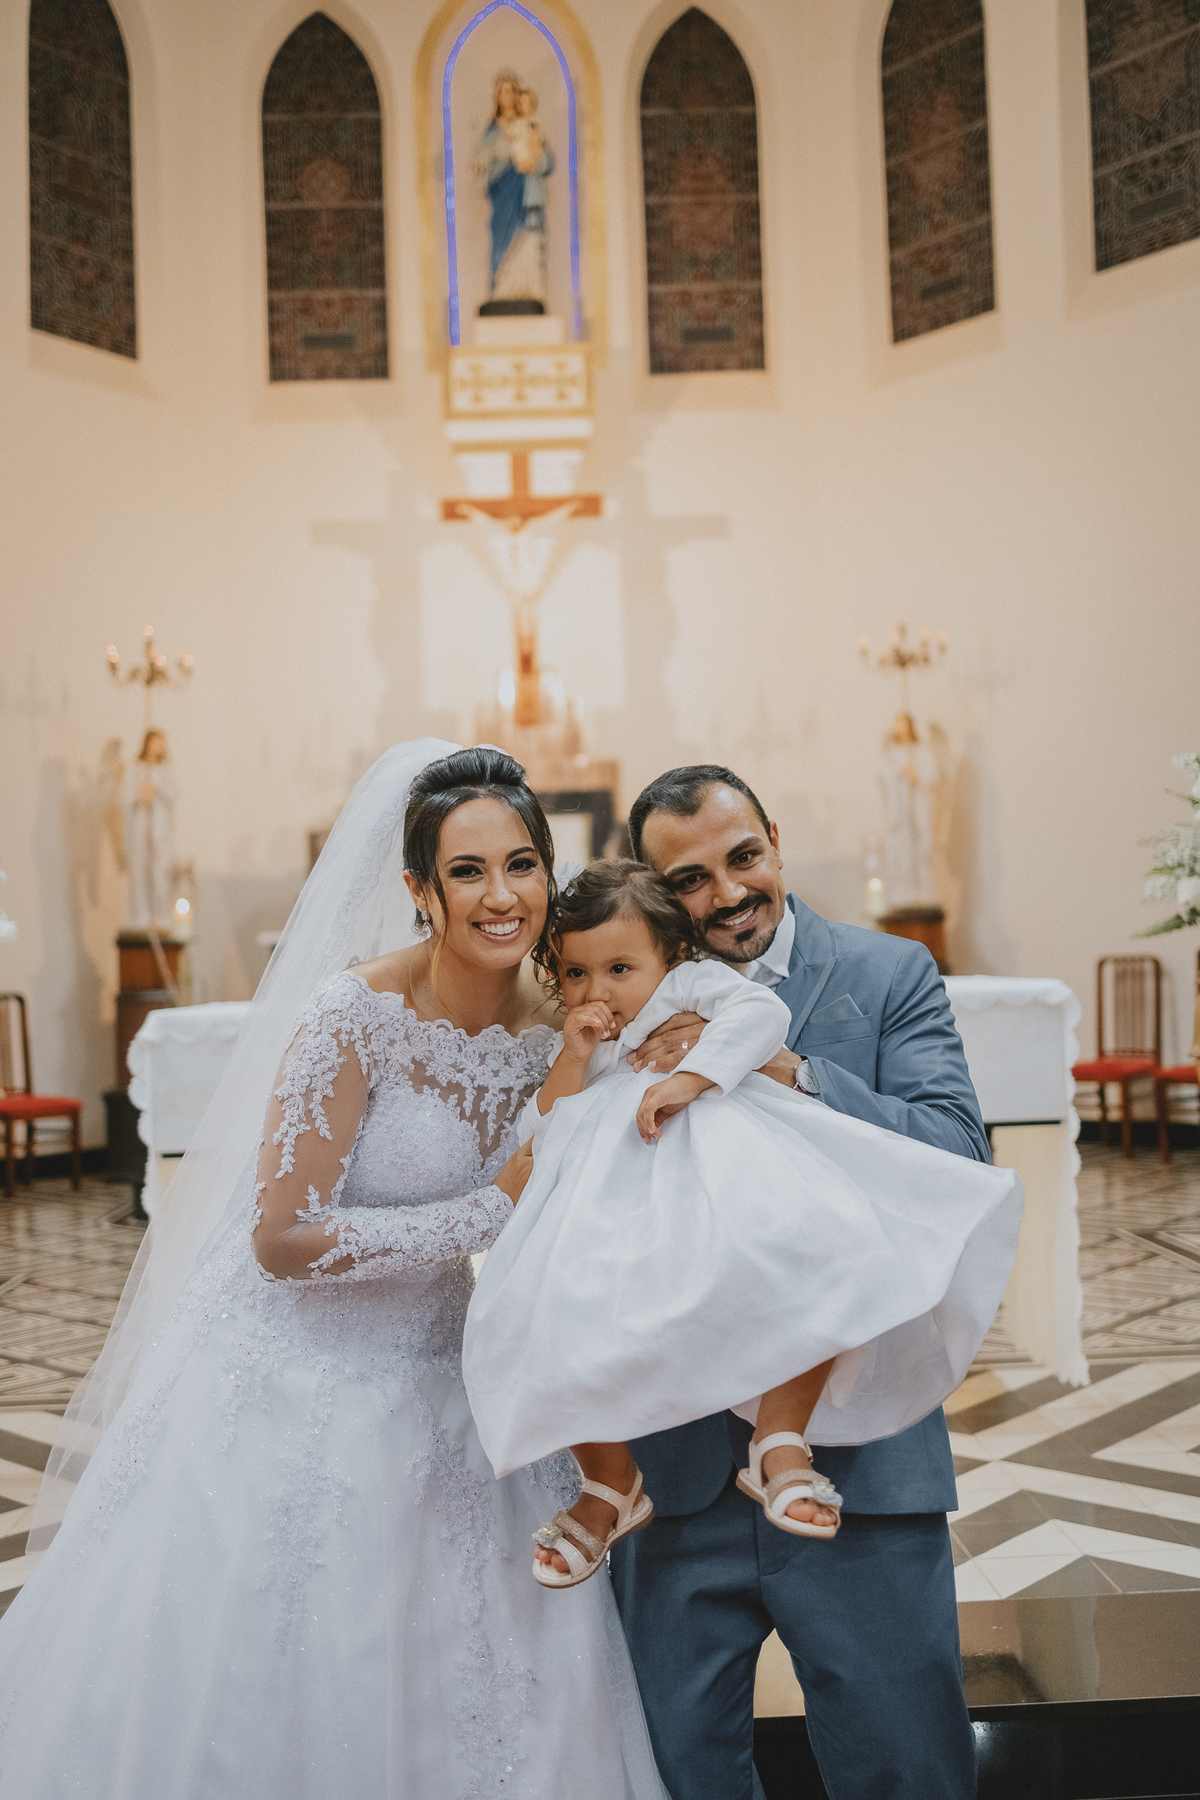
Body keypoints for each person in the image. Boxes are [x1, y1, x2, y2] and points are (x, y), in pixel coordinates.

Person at [0, 743, 666, 1800]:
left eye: (522, 864)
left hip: (451, 1371)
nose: (502, 896)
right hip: (294, 1372)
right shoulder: (355, 1017)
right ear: (418, 889)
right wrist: (488, 1210)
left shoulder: (561, 1030)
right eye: (467, 871)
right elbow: (282, 1238)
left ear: (551, 870)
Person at [462, 861, 1019, 1586]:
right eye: (574, 974)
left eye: (619, 969)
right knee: (542, 1311)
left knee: (817, 1258)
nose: (597, 991)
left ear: (672, 956)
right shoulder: (582, 1037)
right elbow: (539, 1127)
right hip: (616, 1215)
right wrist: (573, 1055)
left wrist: (693, 1075)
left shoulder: (689, 985)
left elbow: (761, 1016)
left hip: (728, 1167)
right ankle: (608, 1481)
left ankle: (781, 1440)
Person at [604, 765, 994, 1800]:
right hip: (677, 1469)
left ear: (774, 840)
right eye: (689, 880)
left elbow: (956, 1150)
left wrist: (780, 1068)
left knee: (906, 1770)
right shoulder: (621, 991)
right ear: (651, 890)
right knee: (677, 1776)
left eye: (744, 858)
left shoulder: (888, 972)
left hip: (857, 1466)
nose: (729, 892)